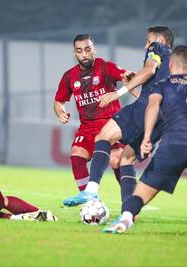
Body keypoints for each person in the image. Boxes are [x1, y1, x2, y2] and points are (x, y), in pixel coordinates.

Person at [103, 45, 187, 241]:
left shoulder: (163, 85)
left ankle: (125, 219)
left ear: (171, 64)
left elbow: (152, 107)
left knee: (141, 193)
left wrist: (147, 138)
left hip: (171, 149)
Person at [63, 26, 173, 206]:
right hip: (162, 117)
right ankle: (129, 211)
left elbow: (149, 71)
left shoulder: (157, 49)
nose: (146, 45)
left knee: (103, 136)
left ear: (160, 41)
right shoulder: (175, 62)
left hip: (145, 109)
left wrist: (118, 93)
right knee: (126, 159)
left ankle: (90, 192)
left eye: (148, 40)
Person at [54, 34, 137, 192]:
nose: (84, 54)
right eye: (79, 51)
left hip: (111, 125)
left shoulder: (105, 67)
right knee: (76, 154)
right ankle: (90, 202)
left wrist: (127, 74)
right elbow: (59, 101)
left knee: (116, 160)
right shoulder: (69, 76)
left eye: (87, 49)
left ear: (94, 50)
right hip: (87, 128)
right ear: (75, 53)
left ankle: (131, 201)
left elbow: (123, 74)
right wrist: (60, 112)